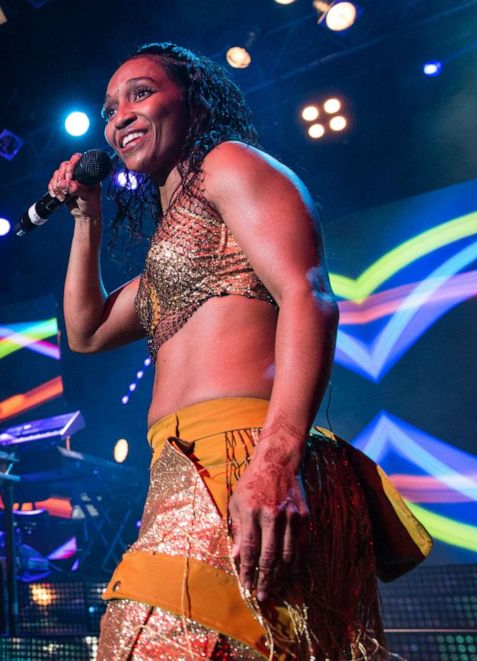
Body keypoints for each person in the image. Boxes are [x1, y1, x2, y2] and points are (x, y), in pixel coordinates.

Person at [53, 43, 421, 658]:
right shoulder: (173, 246)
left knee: (140, 642)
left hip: (243, 454)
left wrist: (276, 459)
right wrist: (85, 218)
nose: (119, 116)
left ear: (192, 97)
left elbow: (309, 297)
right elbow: (86, 331)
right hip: (181, 466)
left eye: (140, 93)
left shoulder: (228, 165)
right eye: (109, 108)